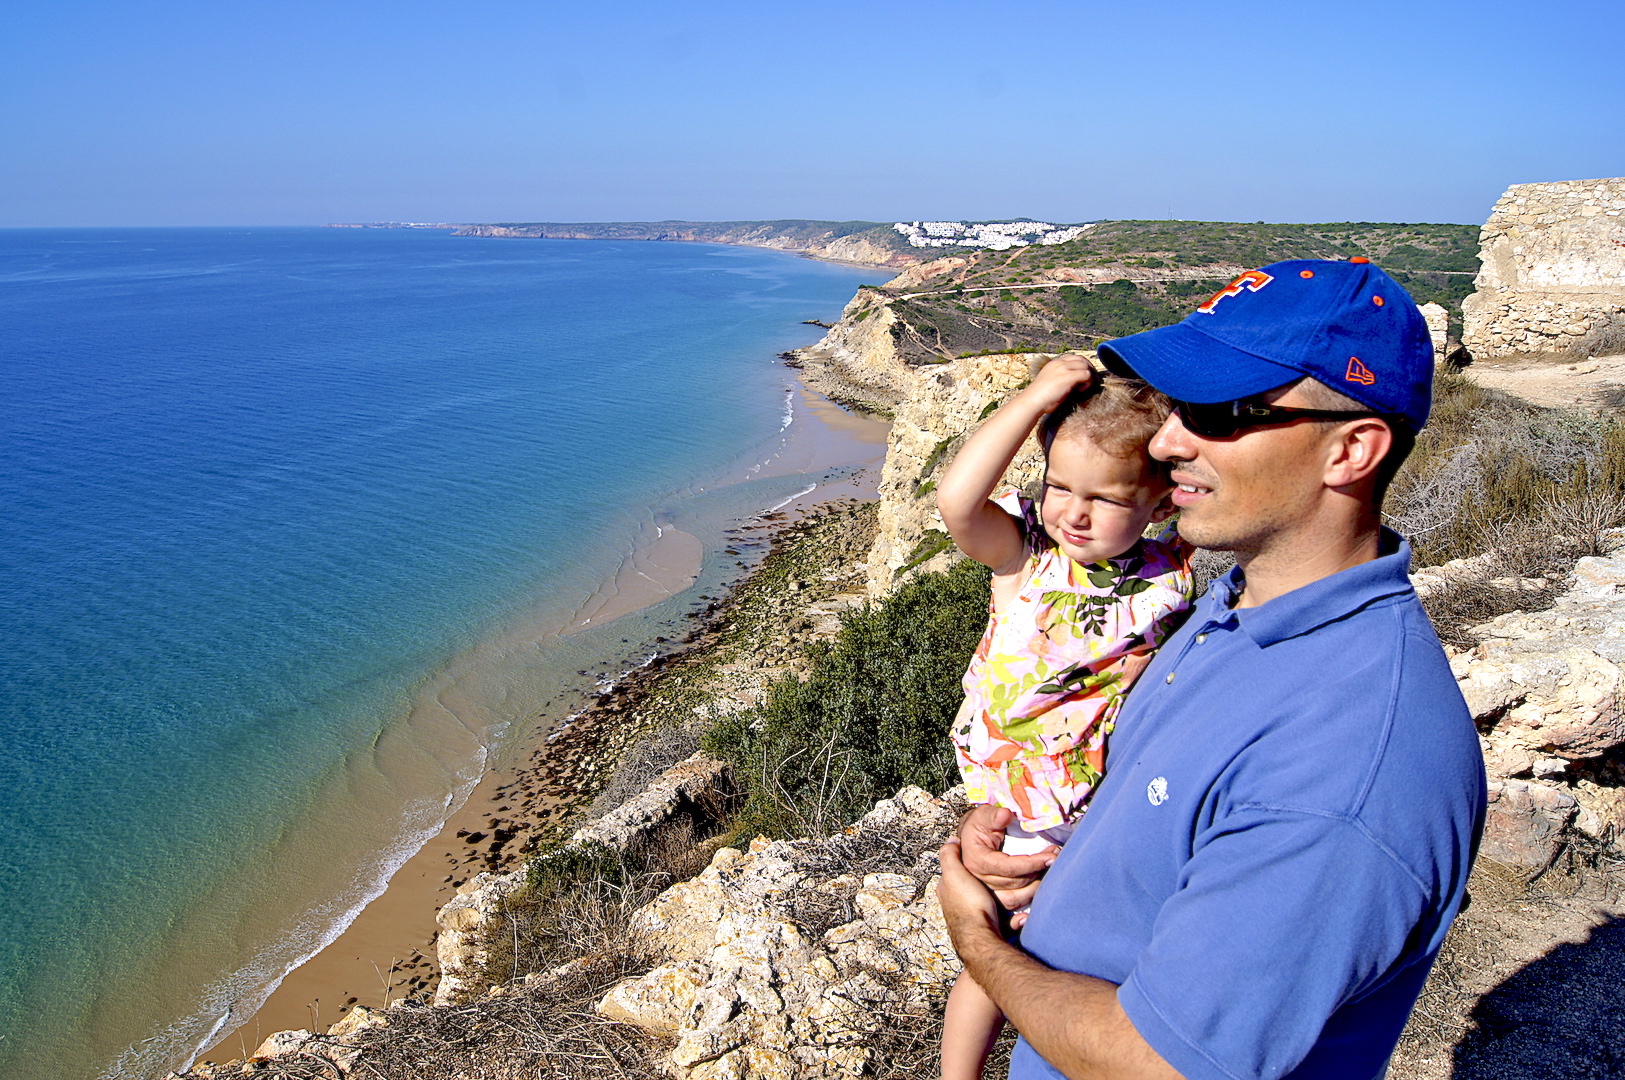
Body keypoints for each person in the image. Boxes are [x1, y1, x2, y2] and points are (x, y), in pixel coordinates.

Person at [936, 258, 1487, 1080]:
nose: (1165, 442)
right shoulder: (1227, 613)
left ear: (1351, 450)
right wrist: (1021, 868)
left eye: (1217, 412)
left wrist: (978, 941)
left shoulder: (1351, 762)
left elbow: (1164, 1065)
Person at [933, 356, 1193, 1080]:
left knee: (1071, 952)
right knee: (999, 952)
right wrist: (1036, 397)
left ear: (1161, 502)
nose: (1073, 512)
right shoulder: (1027, 557)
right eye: (1057, 487)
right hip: (1022, 795)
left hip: (1109, 796)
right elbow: (957, 501)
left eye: (1104, 499)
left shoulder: (1171, 563)